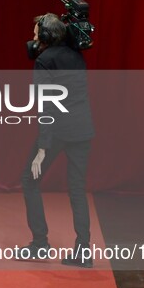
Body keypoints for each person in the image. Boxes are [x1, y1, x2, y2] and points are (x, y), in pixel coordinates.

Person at [19, 13, 95, 268]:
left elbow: (46, 107)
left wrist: (43, 147)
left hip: (59, 131)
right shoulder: (75, 54)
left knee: (29, 181)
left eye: (36, 33)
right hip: (83, 129)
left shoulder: (44, 60)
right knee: (77, 190)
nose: (32, 37)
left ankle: (40, 245)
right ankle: (84, 250)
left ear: (46, 37)